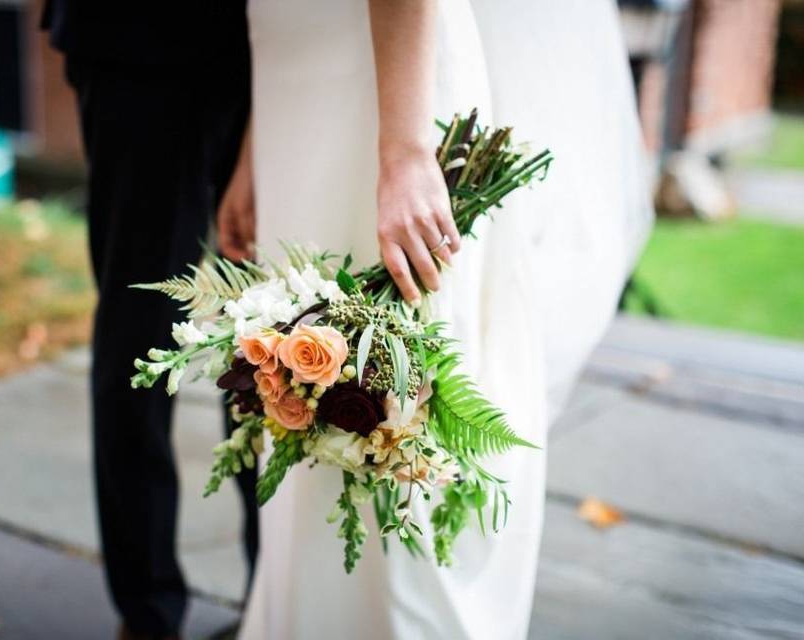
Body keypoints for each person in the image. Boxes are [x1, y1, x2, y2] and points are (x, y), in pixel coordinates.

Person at [216, 0, 652, 638]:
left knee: (404, 404)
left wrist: (406, 152)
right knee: (305, 388)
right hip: (293, 74)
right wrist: (255, 148)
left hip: (388, 87)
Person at [41, 3, 258, 639]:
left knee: (276, 346)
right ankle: (147, 612)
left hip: (282, 60)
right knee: (140, 339)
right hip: (139, 48)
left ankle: (274, 598)